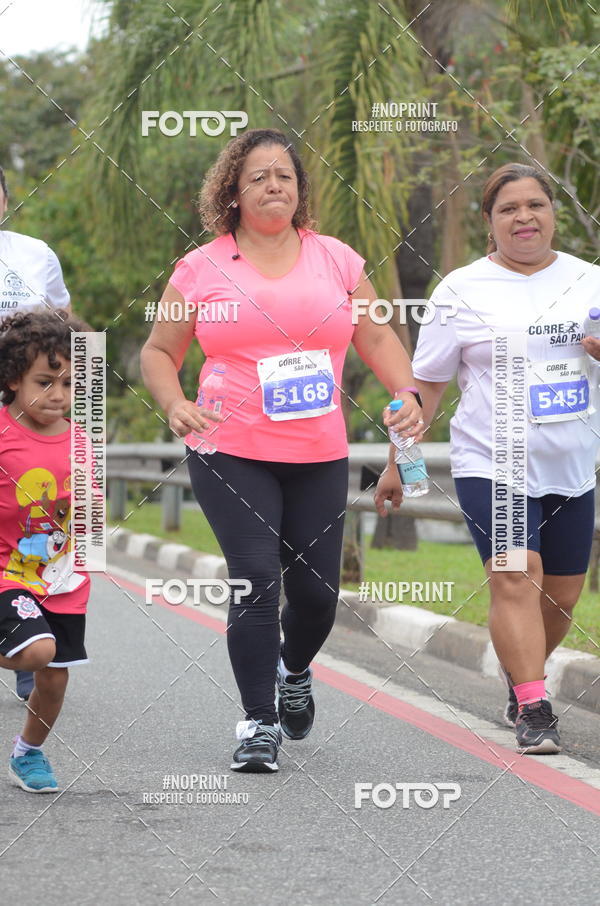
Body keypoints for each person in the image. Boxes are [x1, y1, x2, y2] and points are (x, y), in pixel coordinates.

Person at [141, 127, 424, 773]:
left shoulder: (336, 260)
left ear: (300, 191)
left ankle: (294, 669)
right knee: (256, 579)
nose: (274, 185)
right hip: (228, 444)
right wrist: (174, 403)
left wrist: (404, 392)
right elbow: (159, 351)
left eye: (285, 176)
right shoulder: (202, 267)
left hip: (318, 448)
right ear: (233, 194)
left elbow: (376, 341)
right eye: (258, 176)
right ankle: (258, 723)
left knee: (319, 594)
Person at [375, 162, 600, 755]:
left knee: (562, 597)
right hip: (492, 462)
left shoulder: (590, 281)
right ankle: (533, 704)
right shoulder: (460, 290)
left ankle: (518, 669)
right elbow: (424, 387)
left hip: (573, 464)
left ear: (553, 213)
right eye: (509, 209)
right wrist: (399, 460)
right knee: (513, 577)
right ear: (489, 221)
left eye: (536, 205)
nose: (525, 217)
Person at [0, 309, 91, 792]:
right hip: (7, 571)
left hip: (60, 578)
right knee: (38, 651)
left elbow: (85, 509)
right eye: (44, 382)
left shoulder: (81, 439)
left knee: (54, 681)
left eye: (69, 384)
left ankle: (28, 753)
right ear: (13, 378)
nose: (58, 396)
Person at [1, 165, 72, 703]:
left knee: (34, 514)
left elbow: (61, 328)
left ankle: (29, 628)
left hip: (21, 401)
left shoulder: (33, 254)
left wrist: (74, 411)